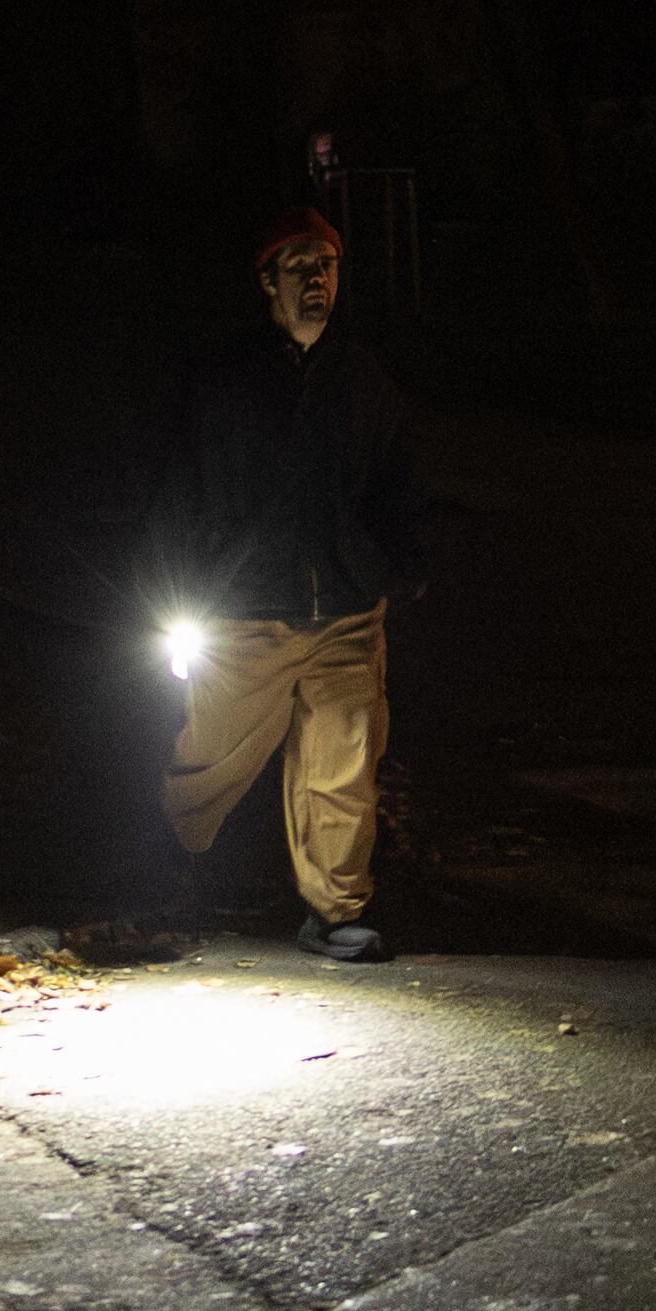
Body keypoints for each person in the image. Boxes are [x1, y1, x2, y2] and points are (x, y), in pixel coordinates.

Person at [147, 204, 426, 964]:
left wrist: (395, 570)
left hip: (344, 609)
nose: (317, 280)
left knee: (343, 769)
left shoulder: (363, 379)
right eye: (300, 266)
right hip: (245, 612)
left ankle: (336, 912)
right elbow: (180, 492)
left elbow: (399, 484)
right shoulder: (225, 380)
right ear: (267, 280)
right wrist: (181, 587)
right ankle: (158, 874)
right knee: (208, 756)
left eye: (328, 265)